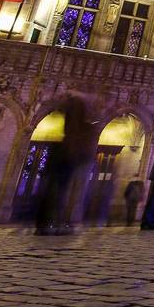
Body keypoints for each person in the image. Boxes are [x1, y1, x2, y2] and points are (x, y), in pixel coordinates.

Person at [34, 97, 95, 235]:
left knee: (58, 192)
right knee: (57, 192)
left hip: (65, 160)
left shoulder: (73, 123)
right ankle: (52, 222)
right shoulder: (74, 124)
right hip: (64, 160)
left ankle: (51, 222)